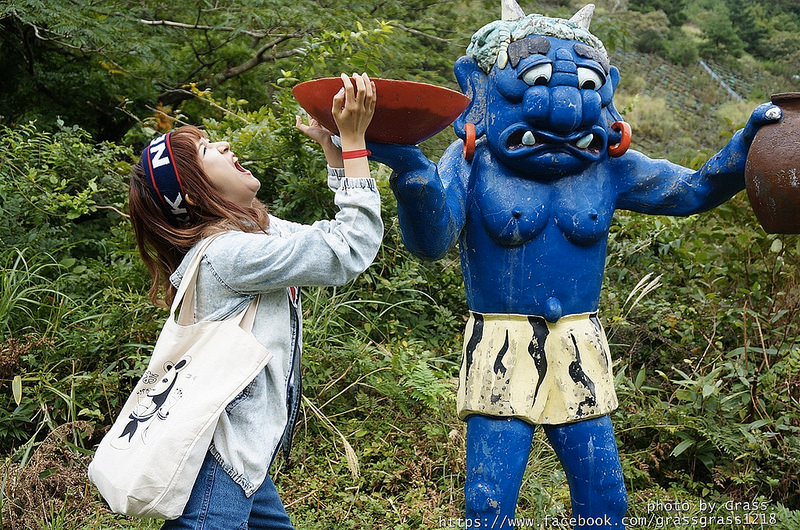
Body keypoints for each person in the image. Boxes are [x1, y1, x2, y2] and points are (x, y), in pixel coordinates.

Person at [366, 3, 780, 528]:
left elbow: (693, 189)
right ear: (479, 88)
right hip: (501, 343)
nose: (565, 108)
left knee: (604, 492)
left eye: (587, 85)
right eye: (534, 80)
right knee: (489, 499)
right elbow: (431, 242)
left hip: (581, 342)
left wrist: (748, 144)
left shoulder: (611, 166)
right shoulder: (472, 161)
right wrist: (414, 173)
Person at [127, 73, 382, 529]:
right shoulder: (229, 255)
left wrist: (335, 150)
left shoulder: (247, 238)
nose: (225, 146)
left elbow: (327, 240)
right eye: (209, 150)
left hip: (242, 458)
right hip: (215, 462)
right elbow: (350, 249)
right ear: (191, 193)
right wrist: (355, 142)